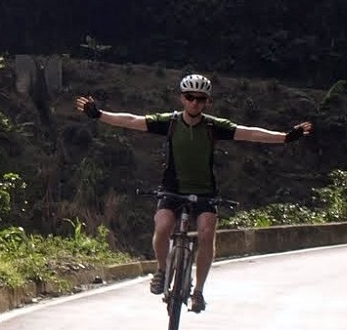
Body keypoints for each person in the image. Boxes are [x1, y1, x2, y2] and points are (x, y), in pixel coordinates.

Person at [75, 73, 311, 313]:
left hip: (205, 191)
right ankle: (162, 270)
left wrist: (285, 138)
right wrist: (99, 114)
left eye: (200, 99)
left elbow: (249, 133)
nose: (195, 103)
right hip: (172, 188)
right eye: (190, 97)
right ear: (182, 99)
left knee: (207, 232)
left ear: (207, 101)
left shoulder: (212, 126)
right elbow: (133, 120)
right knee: (163, 226)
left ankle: (198, 291)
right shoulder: (171, 122)